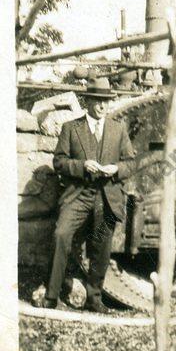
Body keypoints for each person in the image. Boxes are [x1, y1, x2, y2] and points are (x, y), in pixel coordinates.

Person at [39, 77, 134, 313]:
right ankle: (52, 296)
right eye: (99, 101)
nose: (103, 106)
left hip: (106, 198)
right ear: (88, 100)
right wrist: (82, 166)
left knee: (101, 246)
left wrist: (116, 169)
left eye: (107, 101)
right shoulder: (71, 128)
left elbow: (131, 163)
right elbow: (59, 162)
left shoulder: (118, 129)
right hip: (78, 196)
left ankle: (94, 299)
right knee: (61, 235)